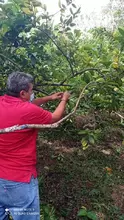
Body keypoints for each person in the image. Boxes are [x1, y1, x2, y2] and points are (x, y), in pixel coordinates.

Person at [0, 71, 70, 220]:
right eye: (31, 90)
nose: (32, 93)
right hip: (18, 179)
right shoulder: (27, 111)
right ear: (23, 93)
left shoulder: (2, 102)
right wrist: (64, 100)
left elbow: (28, 105)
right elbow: (55, 118)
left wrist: (49, 98)